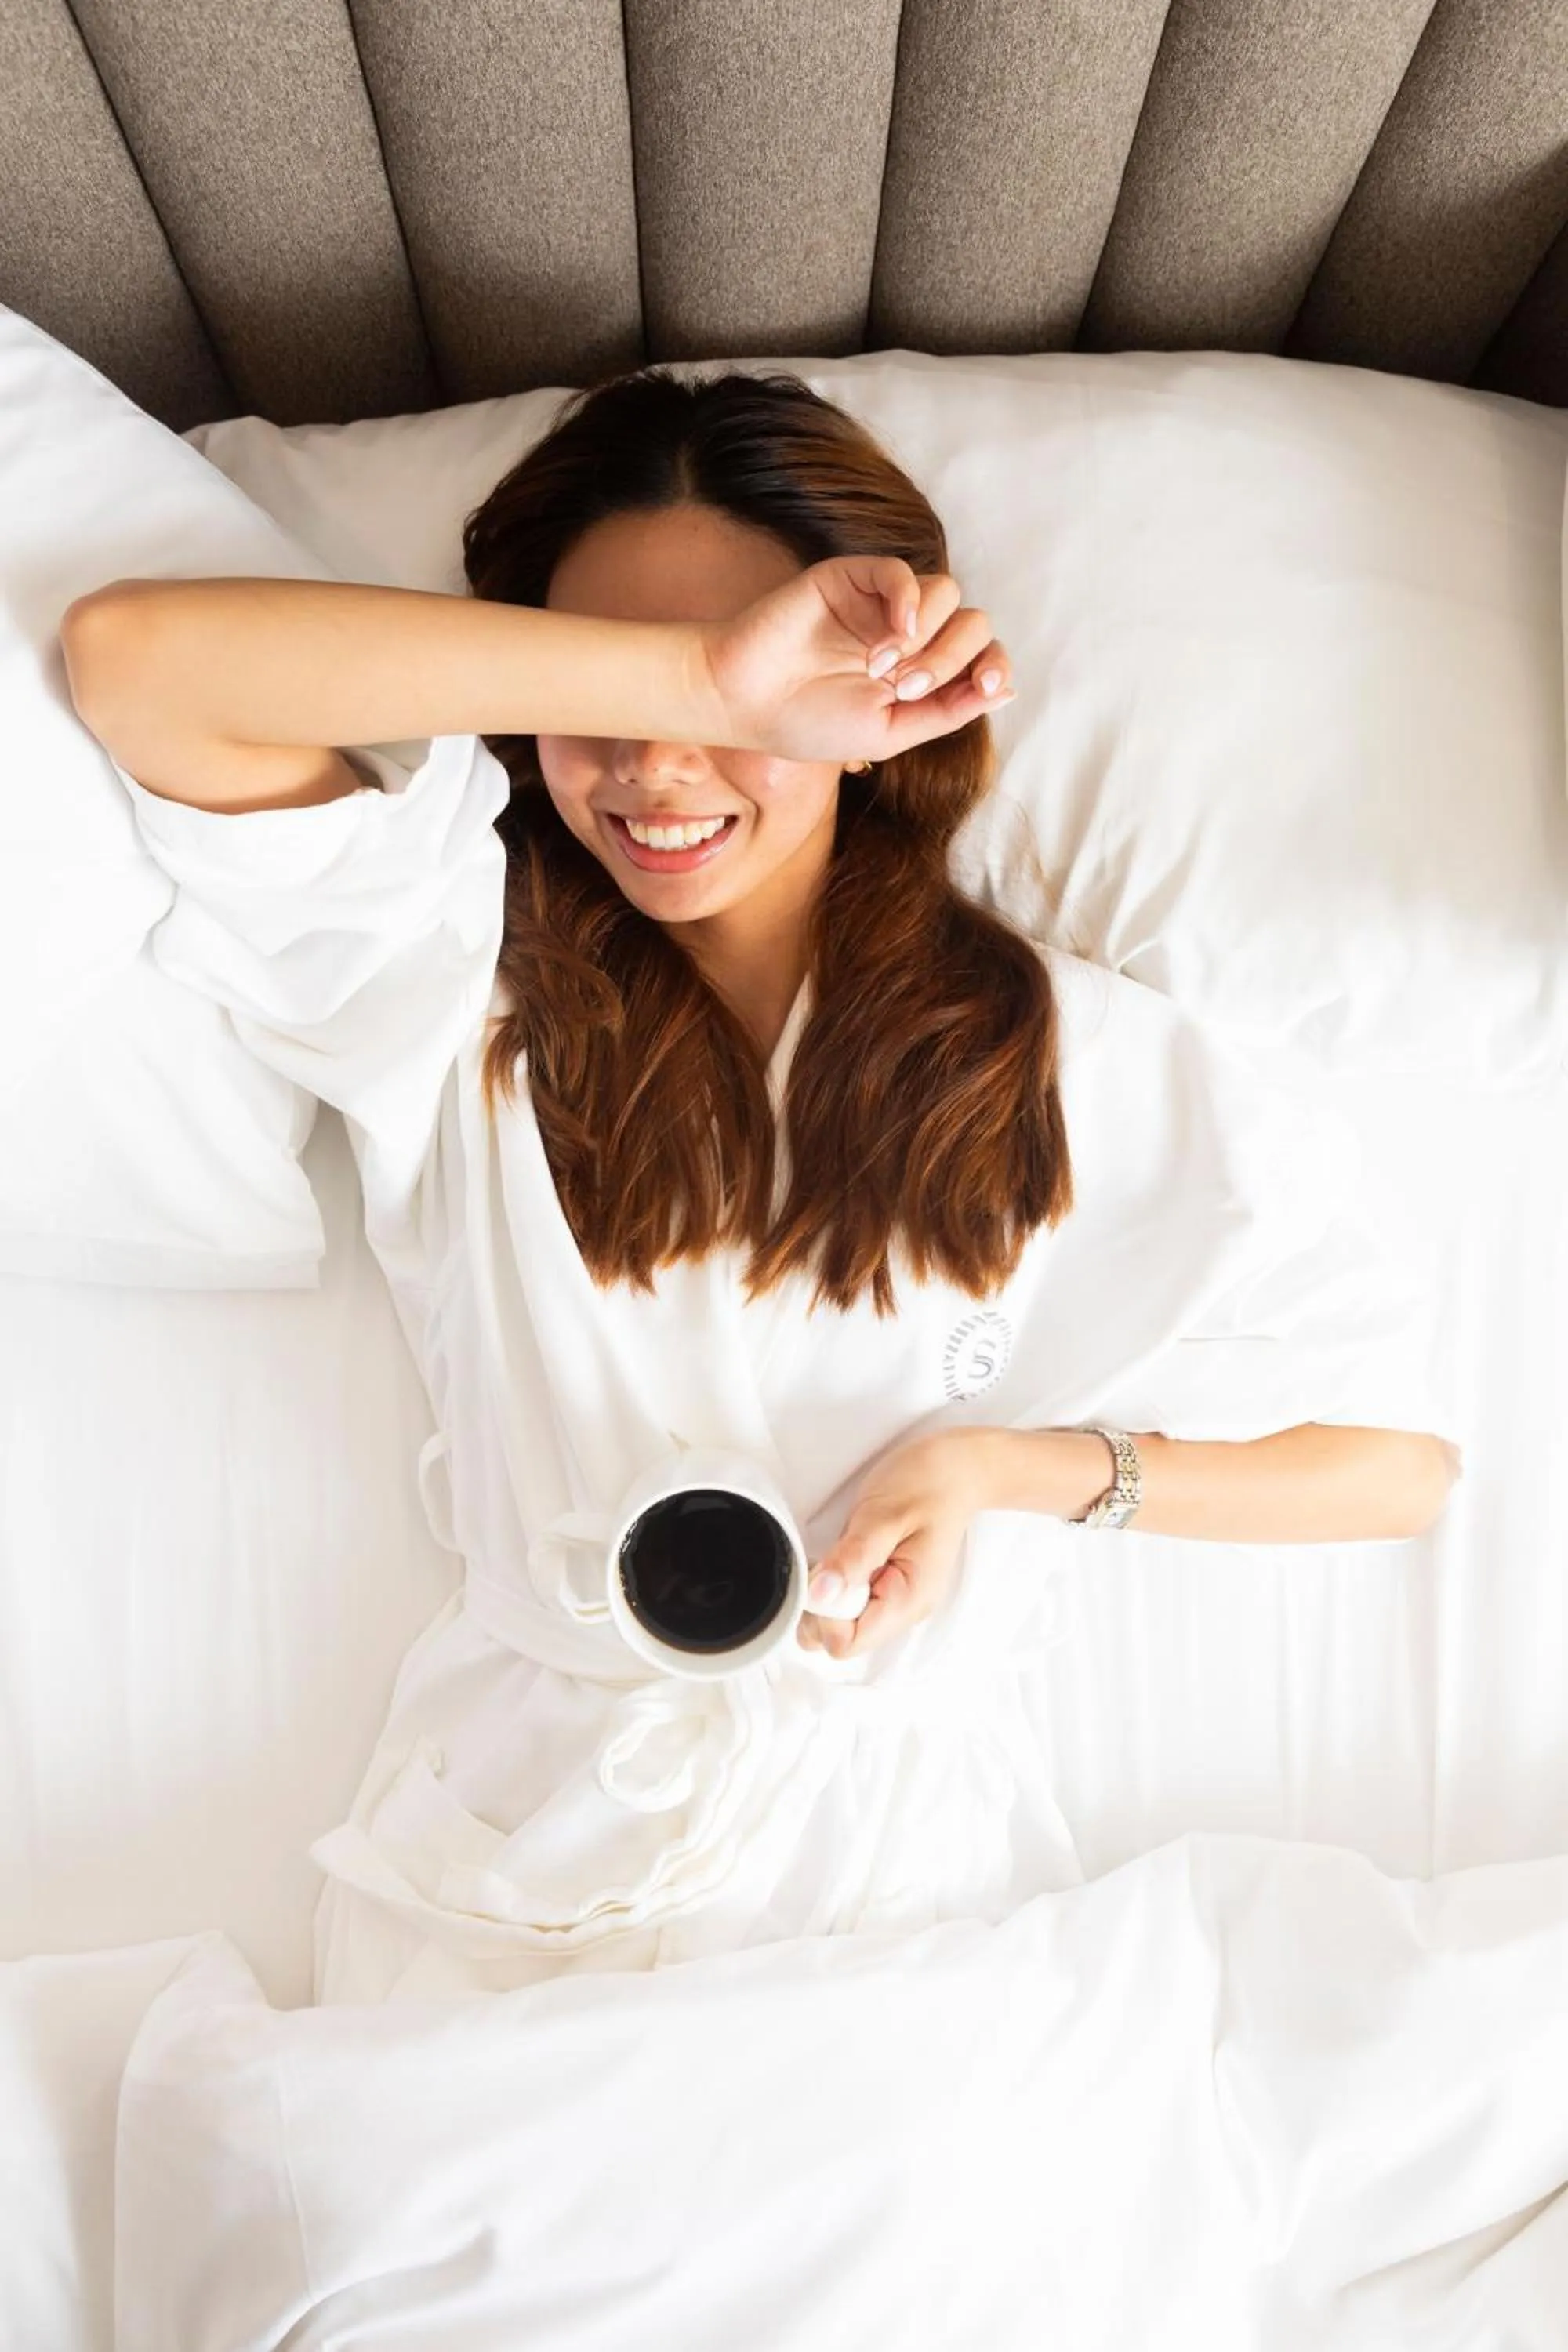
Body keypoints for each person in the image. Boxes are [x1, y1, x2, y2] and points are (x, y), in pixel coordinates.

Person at [61, 367, 1461, 2002]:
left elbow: (1395, 1470)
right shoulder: (452, 996)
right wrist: (716, 675)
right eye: (610, 700)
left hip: (905, 1906)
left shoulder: (1073, 1061)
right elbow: (140, 666)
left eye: (730, 723)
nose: (660, 776)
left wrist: (1005, 1470)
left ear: (876, 712)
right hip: (515, 1883)